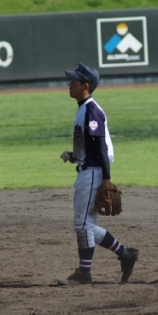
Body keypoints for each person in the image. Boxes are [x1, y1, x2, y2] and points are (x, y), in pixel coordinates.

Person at [58, 63, 138, 285]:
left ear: (85, 85)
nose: (69, 84)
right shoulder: (83, 109)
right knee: (86, 225)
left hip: (94, 173)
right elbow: (92, 147)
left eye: (74, 81)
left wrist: (107, 180)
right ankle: (125, 254)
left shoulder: (92, 111)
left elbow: (101, 147)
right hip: (88, 170)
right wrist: (74, 156)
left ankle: (85, 274)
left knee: (83, 225)